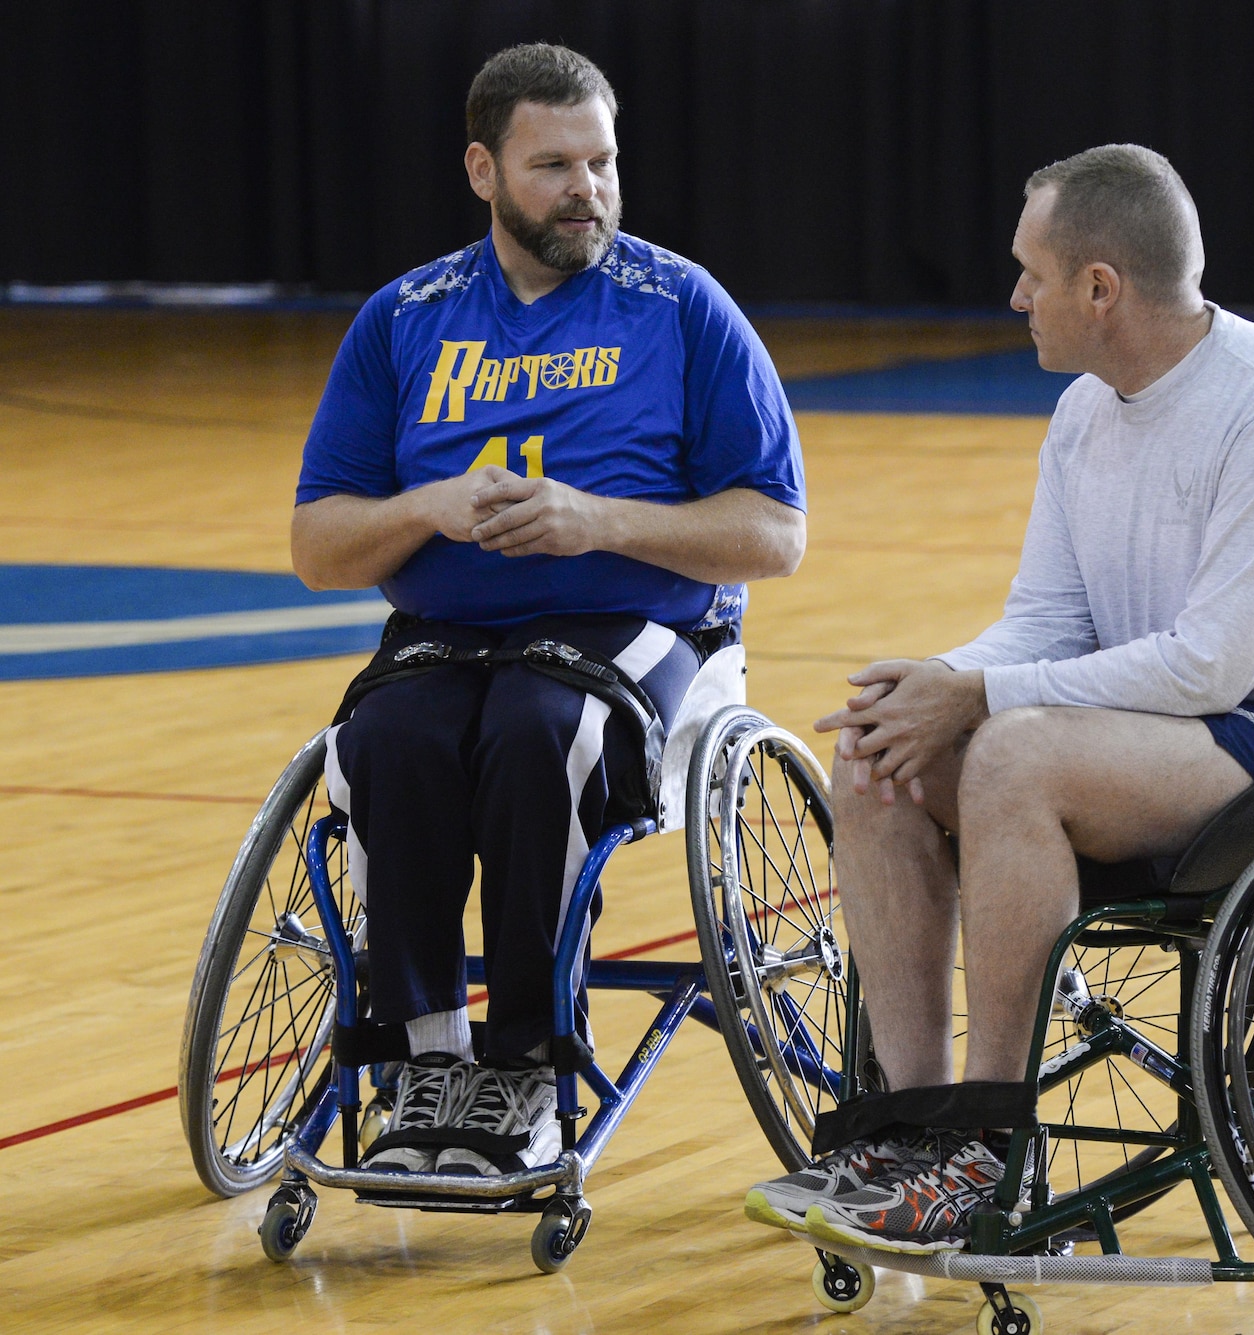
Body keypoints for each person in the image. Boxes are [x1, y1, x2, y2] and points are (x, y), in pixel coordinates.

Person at [744, 144, 1254, 1253]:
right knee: (877, 755)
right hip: (1177, 728)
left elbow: (1210, 665)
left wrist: (978, 695)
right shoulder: (1084, 412)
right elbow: (1047, 625)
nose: (1013, 294)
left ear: (1099, 287)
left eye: (1030, 271)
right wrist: (935, 686)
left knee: (1016, 754)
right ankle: (907, 1131)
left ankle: (988, 1148)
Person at [293, 44, 805, 1179]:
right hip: (449, 631)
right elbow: (318, 547)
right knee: (390, 738)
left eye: (603, 162)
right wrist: (426, 502)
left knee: (542, 732)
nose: (589, 190)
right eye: (553, 166)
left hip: (638, 624)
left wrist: (599, 521)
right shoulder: (402, 318)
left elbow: (775, 533)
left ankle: (526, 1056)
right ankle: (426, 1055)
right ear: (482, 169)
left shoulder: (680, 306)